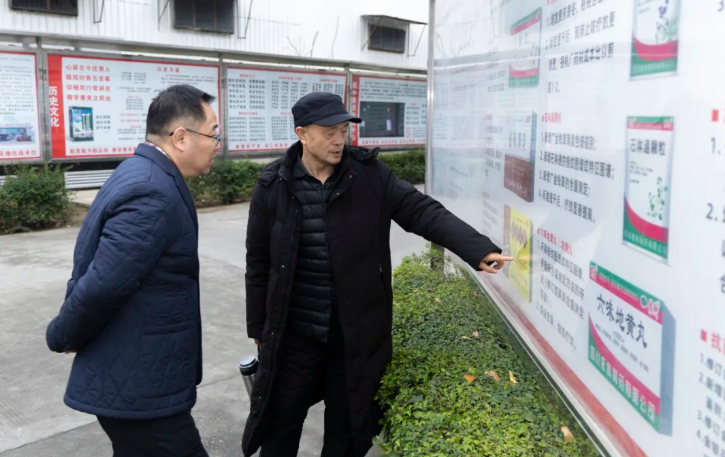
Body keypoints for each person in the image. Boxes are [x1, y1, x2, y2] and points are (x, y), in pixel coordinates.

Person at [242, 92, 513, 457]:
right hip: (296, 334)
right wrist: (258, 328)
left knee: (347, 429)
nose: (339, 140)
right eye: (329, 132)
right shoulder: (273, 184)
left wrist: (475, 247)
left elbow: (420, 210)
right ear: (302, 134)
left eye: (343, 131)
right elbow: (258, 262)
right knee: (280, 424)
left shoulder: (368, 175)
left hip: (352, 334)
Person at [46, 84, 220, 457]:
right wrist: (62, 334)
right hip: (139, 387)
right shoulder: (152, 192)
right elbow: (103, 285)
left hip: (137, 379)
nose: (217, 145)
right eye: (213, 134)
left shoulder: (141, 171)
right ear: (180, 137)